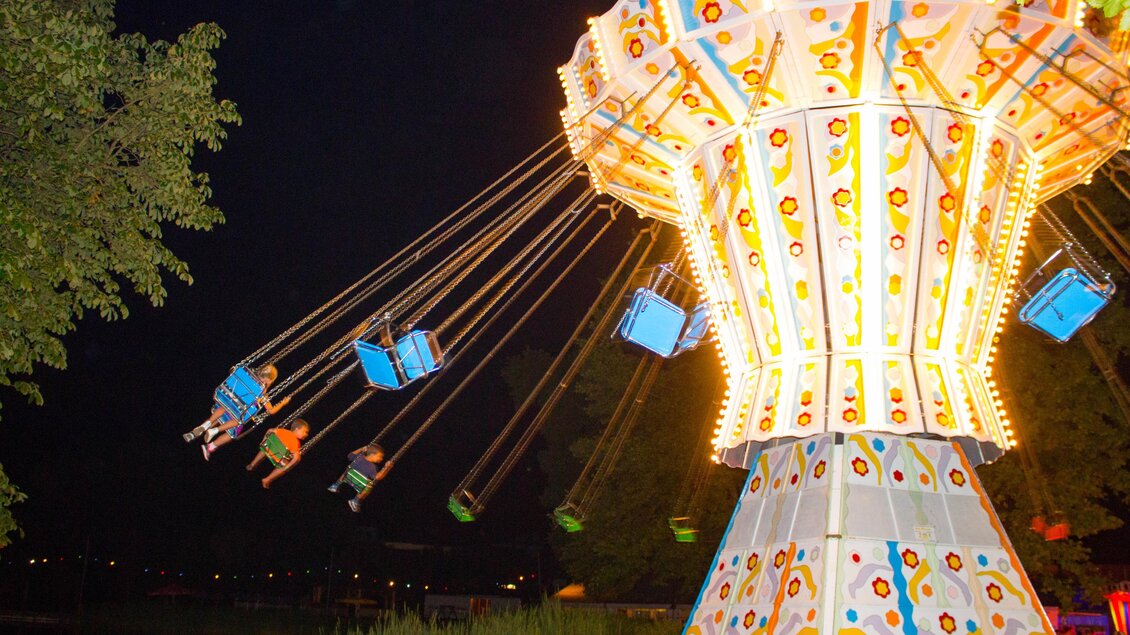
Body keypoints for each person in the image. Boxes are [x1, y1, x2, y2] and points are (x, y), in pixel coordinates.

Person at [184, 364, 291, 444]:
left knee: (225, 406)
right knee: (239, 420)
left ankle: (201, 428)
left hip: (226, 399)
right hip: (238, 410)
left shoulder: (246, 372)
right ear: (268, 379)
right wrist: (283, 403)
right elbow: (271, 411)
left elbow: (232, 371)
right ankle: (215, 431)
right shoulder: (261, 390)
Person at [243, 420, 311, 489]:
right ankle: (267, 479)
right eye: (305, 432)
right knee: (285, 465)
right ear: (296, 429)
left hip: (269, 450)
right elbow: (296, 457)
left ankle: (253, 464)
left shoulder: (283, 431)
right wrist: (287, 467)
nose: (306, 434)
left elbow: (270, 430)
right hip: (278, 458)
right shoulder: (296, 442)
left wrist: (263, 441)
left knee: (266, 446)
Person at [327, 444, 394, 512]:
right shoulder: (372, 467)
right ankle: (355, 499)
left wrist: (361, 449)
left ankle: (337, 485)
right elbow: (377, 477)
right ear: (372, 455)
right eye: (380, 457)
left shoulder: (360, 457)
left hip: (352, 479)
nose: (381, 459)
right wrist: (387, 468)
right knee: (370, 484)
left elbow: (350, 455)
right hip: (356, 482)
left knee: (350, 469)